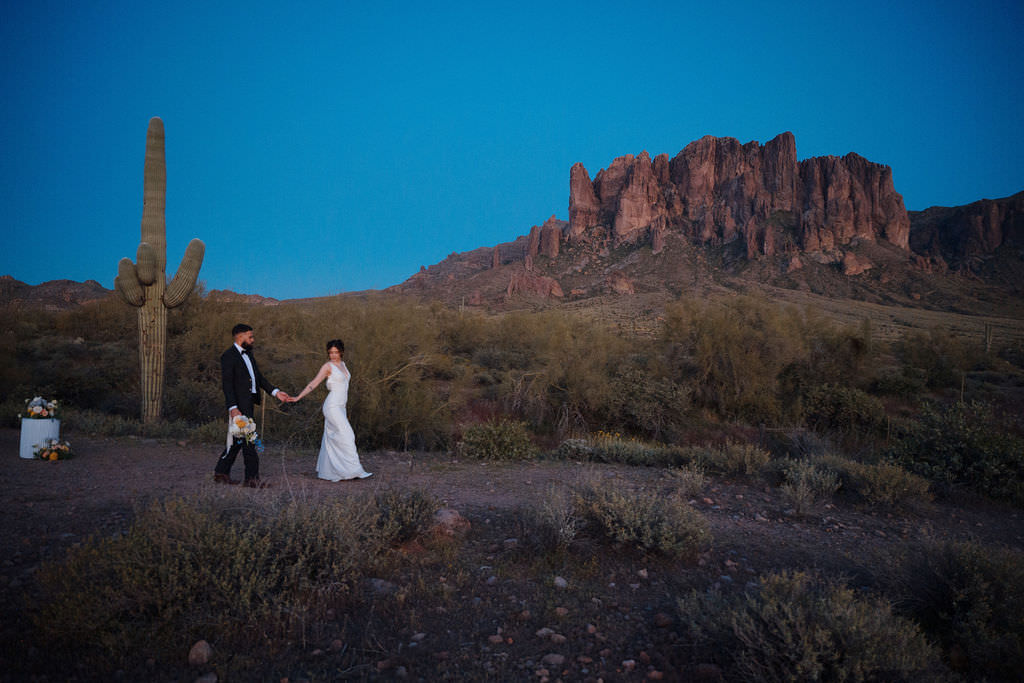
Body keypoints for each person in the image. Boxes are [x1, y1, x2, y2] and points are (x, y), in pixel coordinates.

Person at [214, 323, 292, 487]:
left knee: (237, 440)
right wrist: (232, 407)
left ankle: (221, 473)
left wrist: (276, 392)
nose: (253, 340)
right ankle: (252, 479)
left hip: (248, 404)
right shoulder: (228, 356)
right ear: (240, 336)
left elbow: (259, 378)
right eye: (250, 337)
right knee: (250, 440)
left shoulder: (249, 356)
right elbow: (227, 384)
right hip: (239, 407)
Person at [290, 339, 372, 481]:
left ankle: (330, 471)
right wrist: (298, 397)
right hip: (332, 405)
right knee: (348, 435)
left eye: (336, 352)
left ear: (341, 352)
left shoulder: (344, 365)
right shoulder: (328, 366)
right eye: (330, 352)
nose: (333, 355)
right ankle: (354, 470)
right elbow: (314, 383)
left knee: (334, 437)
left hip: (342, 406)